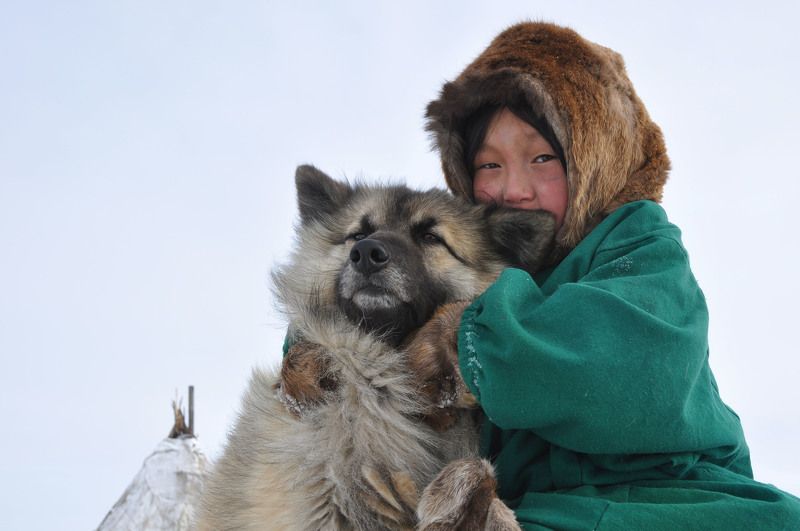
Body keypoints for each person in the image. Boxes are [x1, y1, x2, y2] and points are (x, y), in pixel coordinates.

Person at [418, 21, 800, 529]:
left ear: (593, 161)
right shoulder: (465, 258)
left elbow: (613, 369)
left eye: (541, 158)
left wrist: (456, 344)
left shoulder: (640, 243)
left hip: (662, 496)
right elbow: (370, 306)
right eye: (488, 166)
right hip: (533, 508)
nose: (513, 189)